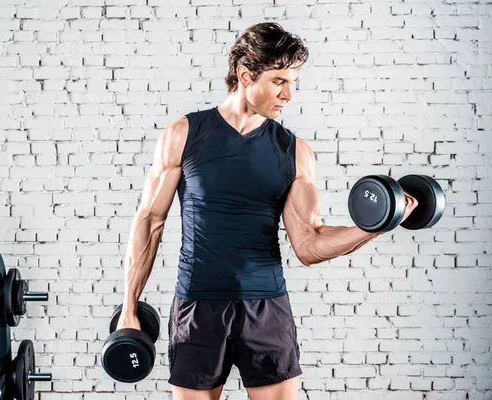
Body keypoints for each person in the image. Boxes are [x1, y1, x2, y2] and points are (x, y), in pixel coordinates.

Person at [116, 22, 418, 400]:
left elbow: (309, 244)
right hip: (198, 305)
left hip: (268, 308)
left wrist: (378, 225)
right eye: (279, 81)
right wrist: (130, 306)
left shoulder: (293, 151)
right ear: (246, 75)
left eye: (292, 82)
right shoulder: (185, 134)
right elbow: (150, 221)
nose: (289, 94)